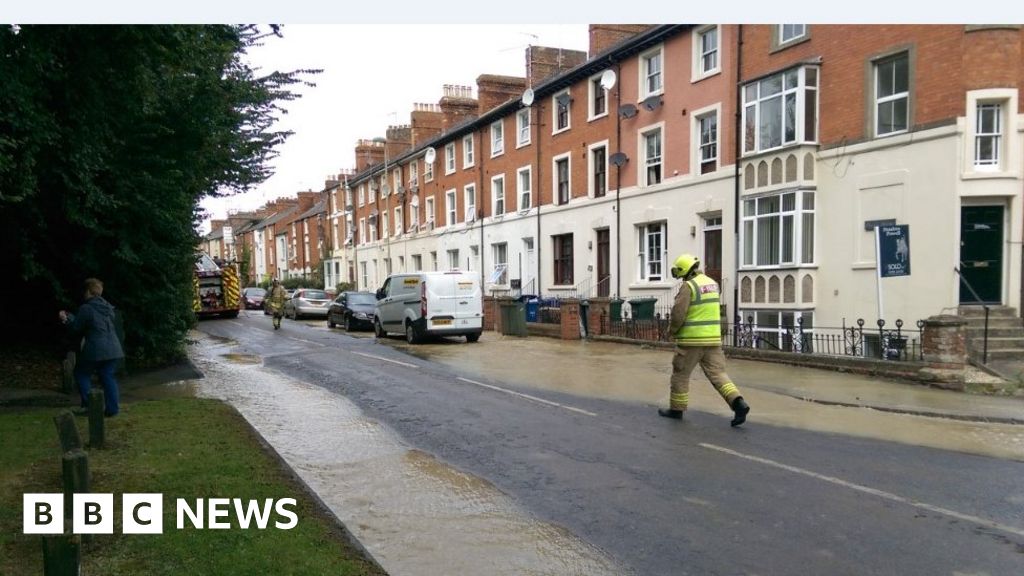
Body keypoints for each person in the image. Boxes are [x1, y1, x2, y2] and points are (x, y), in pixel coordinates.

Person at [659, 254, 750, 427]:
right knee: (718, 374)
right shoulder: (712, 284)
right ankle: (738, 403)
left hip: (691, 342)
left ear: (684, 269)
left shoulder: (689, 286)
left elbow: (679, 314)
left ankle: (676, 410)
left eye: (678, 272)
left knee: (680, 375)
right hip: (713, 340)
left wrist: (671, 331)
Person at [59, 278, 124, 417]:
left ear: (88, 291)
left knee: (81, 373)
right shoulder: (108, 307)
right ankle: (112, 410)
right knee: (108, 376)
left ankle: (90, 406)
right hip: (114, 348)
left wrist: (66, 320)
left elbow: (76, 328)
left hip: (96, 348)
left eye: (84, 291)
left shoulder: (86, 308)